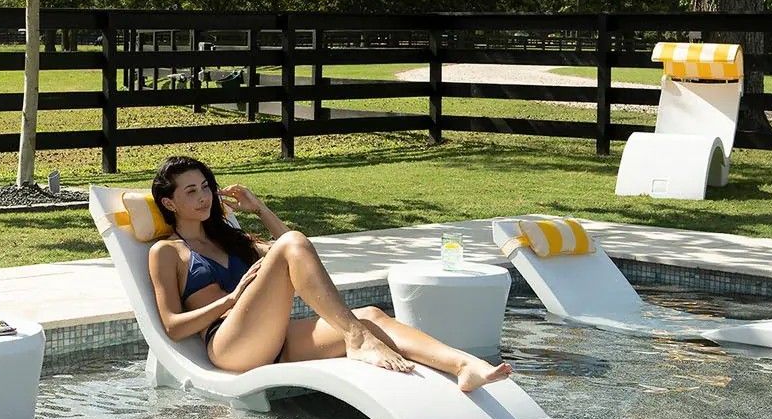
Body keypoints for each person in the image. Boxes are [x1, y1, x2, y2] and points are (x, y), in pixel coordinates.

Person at [145, 156, 513, 391]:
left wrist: (259, 209)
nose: (203, 197)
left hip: (276, 341)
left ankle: (466, 366)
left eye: (206, 187)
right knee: (300, 255)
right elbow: (173, 326)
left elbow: (298, 254)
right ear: (169, 202)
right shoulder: (167, 252)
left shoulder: (230, 238)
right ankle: (356, 339)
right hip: (228, 347)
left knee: (369, 315)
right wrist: (233, 297)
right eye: (190, 191)